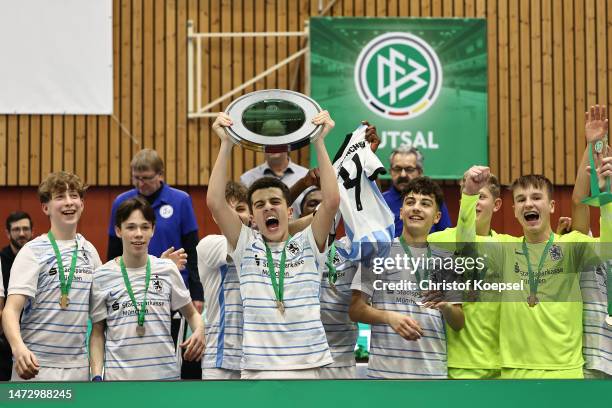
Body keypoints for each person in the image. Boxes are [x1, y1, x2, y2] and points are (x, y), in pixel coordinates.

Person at [208, 110, 339, 379]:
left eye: (276, 202)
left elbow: (332, 202)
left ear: (289, 211)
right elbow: (215, 203)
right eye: (260, 205)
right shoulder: (245, 244)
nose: (268, 208)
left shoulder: (308, 242)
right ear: (253, 218)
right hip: (258, 369)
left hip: (309, 364)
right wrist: (226, 144)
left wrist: (320, 141)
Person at [456, 159, 611, 379]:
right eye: (521, 200)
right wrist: (469, 196)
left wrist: (607, 198)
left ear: (552, 206)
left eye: (536, 197)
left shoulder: (572, 245)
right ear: (515, 211)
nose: (528, 204)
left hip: (565, 371)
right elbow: (465, 249)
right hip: (513, 372)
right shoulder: (504, 248)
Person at [350, 177, 464, 379]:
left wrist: (446, 306)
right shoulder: (377, 252)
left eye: (425, 204)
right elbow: (356, 309)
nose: (416, 208)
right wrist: (388, 317)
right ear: (401, 212)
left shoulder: (447, 260)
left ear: (437, 217)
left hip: (432, 376)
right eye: (410, 202)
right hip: (384, 376)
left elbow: (458, 323)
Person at [106, 148, 203, 379]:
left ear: (160, 175)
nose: (141, 184)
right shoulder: (121, 202)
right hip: (131, 291)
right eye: (136, 178)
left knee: (170, 356)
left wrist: (197, 292)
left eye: (147, 178)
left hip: (173, 291)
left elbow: (192, 249)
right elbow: (112, 251)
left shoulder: (180, 200)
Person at [2, 172, 102, 381]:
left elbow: (101, 315)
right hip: (35, 366)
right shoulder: (31, 251)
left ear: (82, 204)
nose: (69, 202)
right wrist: (19, 349)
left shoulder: (90, 252)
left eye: (74, 196)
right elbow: (11, 310)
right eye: (60, 197)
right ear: (45, 208)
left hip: (78, 368)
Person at [90, 197, 204, 380]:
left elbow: (192, 314)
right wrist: (96, 375)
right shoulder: (102, 276)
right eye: (131, 227)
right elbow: (97, 333)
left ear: (153, 230)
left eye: (145, 227)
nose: (138, 234)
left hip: (165, 381)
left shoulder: (167, 270)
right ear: (118, 231)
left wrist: (199, 329)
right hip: (119, 383)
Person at [428, 175, 504, 379]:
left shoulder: (507, 245)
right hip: (456, 365)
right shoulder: (438, 240)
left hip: (500, 366)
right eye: (469, 196)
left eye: (481, 196)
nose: (475, 202)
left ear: (496, 204)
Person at [197, 181, 248, 380]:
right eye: (228, 209)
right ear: (216, 215)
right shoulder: (209, 245)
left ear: (252, 214)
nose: (235, 215)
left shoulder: (265, 248)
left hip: (256, 360)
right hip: (219, 361)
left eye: (241, 209)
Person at [383, 146, 451, 237]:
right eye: (397, 169)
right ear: (390, 171)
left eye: (409, 169)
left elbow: (445, 236)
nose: (403, 175)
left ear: (420, 172)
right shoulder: (380, 202)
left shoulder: (434, 200)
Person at [0, 211, 33, 381]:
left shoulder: (38, 259)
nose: (22, 233)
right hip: (6, 343)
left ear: (32, 232)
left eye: (26, 229)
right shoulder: (1, 260)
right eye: (16, 229)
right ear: (7, 233)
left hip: (35, 340)